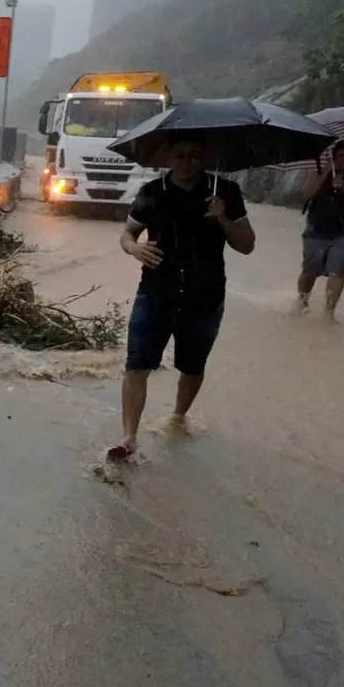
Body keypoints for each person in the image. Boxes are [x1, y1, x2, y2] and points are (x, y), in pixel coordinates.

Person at [110, 136, 256, 459]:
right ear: (168, 157)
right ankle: (129, 438)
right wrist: (135, 248)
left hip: (205, 297)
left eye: (194, 155)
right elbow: (127, 233)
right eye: (180, 155)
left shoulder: (226, 192)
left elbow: (247, 244)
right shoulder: (152, 193)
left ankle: (177, 417)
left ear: (205, 156)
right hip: (155, 292)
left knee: (192, 366)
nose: (187, 161)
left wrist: (222, 217)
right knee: (137, 365)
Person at [297, 140, 344, 321]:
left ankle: (329, 313)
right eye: (341, 155)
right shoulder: (318, 173)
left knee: (337, 271)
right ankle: (302, 303)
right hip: (316, 232)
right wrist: (325, 174)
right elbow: (306, 194)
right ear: (334, 157)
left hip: (343, 233)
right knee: (309, 272)